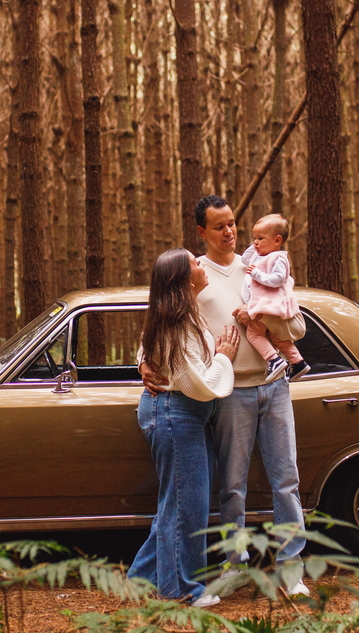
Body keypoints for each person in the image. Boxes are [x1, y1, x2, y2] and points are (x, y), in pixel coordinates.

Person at [140, 196, 310, 597]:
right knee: (232, 488)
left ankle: (291, 571)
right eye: (219, 226)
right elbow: (160, 324)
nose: (229, 232)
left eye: (233, 223)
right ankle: (235, 567)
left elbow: (298, 326)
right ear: (201, 232)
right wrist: (142, 363)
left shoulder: (262, 263)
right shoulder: (193, 275)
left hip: (276, 385)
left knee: (287, 481)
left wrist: (269, 319)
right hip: (231, 393)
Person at [128, 248, 240, 607]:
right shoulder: (177, 322)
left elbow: (151, 350)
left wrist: (143, 361)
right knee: (185, 509)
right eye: (195, 262)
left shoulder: (178, 315)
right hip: (176, 414)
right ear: (184, 278)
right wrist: (225, 356)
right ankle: (181, 591)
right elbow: (201, 384)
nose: (202, 264)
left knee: (176, 506)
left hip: (180, 414)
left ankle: (140, 581)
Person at [240, 213, 310, 384]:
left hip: (267, 306)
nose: (255, 242)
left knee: (253, 334)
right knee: (278, 337)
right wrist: (259, 242)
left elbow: (277, 280)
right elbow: (244, 258)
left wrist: (257, 274)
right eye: (254, 238)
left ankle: (274, 359)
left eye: (260, 238)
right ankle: (298, 362)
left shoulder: (279, 258)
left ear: (278, 240)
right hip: (265, 306)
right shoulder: (260, 255)